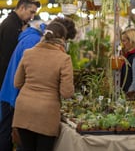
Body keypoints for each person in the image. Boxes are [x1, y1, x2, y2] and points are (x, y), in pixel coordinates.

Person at [0, 16, 77, 150]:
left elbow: (17, 83)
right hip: (46, 114)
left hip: (23, 111)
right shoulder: (64, 59)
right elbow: (66, 93)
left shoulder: (28, 53)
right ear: (62, 40)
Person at [0, 0, 40, 89]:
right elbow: (8, 57)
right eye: (31, 12)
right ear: (22, 8)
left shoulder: (18, 24)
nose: (32, 17)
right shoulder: (11, 26)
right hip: (5, 78)